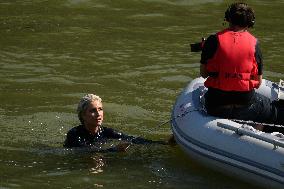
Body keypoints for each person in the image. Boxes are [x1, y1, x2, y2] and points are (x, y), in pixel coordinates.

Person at [199, 2, 284, 131]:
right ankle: (261, 129)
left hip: (216, 105)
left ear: (227, 18)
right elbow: (258, 81)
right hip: (246, 105)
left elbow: (204, 74)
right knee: (277, 111)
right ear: (251, 22)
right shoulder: (254, 44)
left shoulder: (213, 40)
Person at [64, 93, 172, 151]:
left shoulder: (105, 132)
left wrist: (163, 144)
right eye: (93, 111)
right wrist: (114, 150)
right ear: (83, 115)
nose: (98, 114)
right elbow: (85, 151)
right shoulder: (74, 134)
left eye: (100, 109)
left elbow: (132, 139)